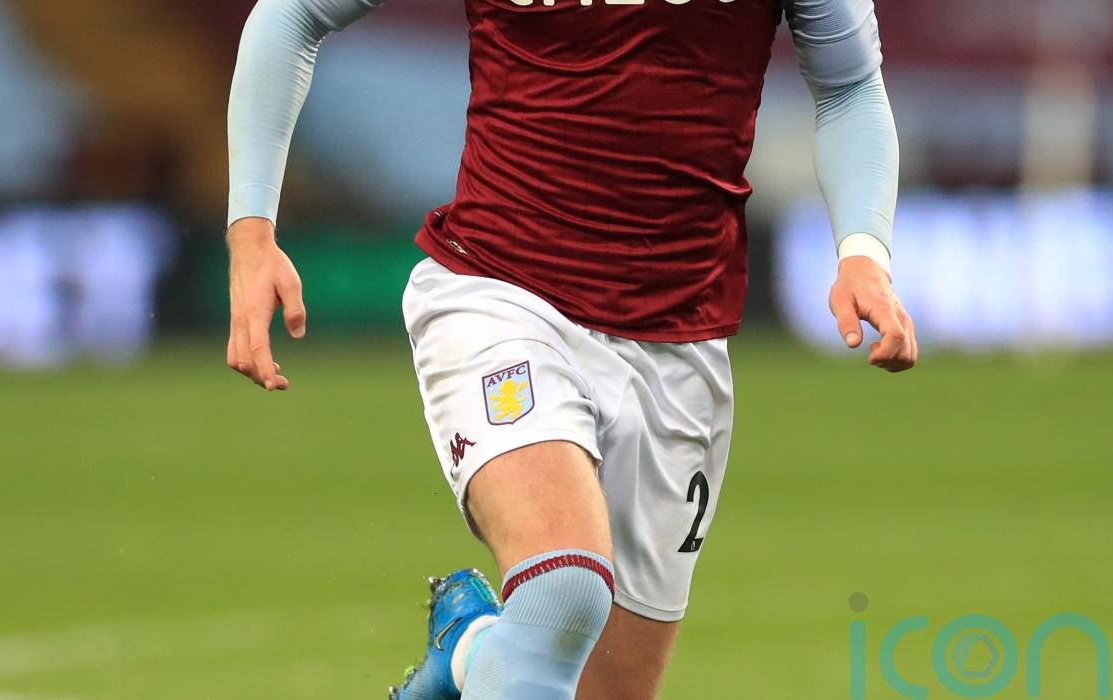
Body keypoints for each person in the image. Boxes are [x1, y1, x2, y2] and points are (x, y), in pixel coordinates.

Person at [224, 0, 917, 697]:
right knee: (563, 589)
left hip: (678, 340)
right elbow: (294, 14)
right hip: (500, 291)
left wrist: (863, 252)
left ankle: (469, 652)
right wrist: (251, 230)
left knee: (586, 683)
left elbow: (849, 85)